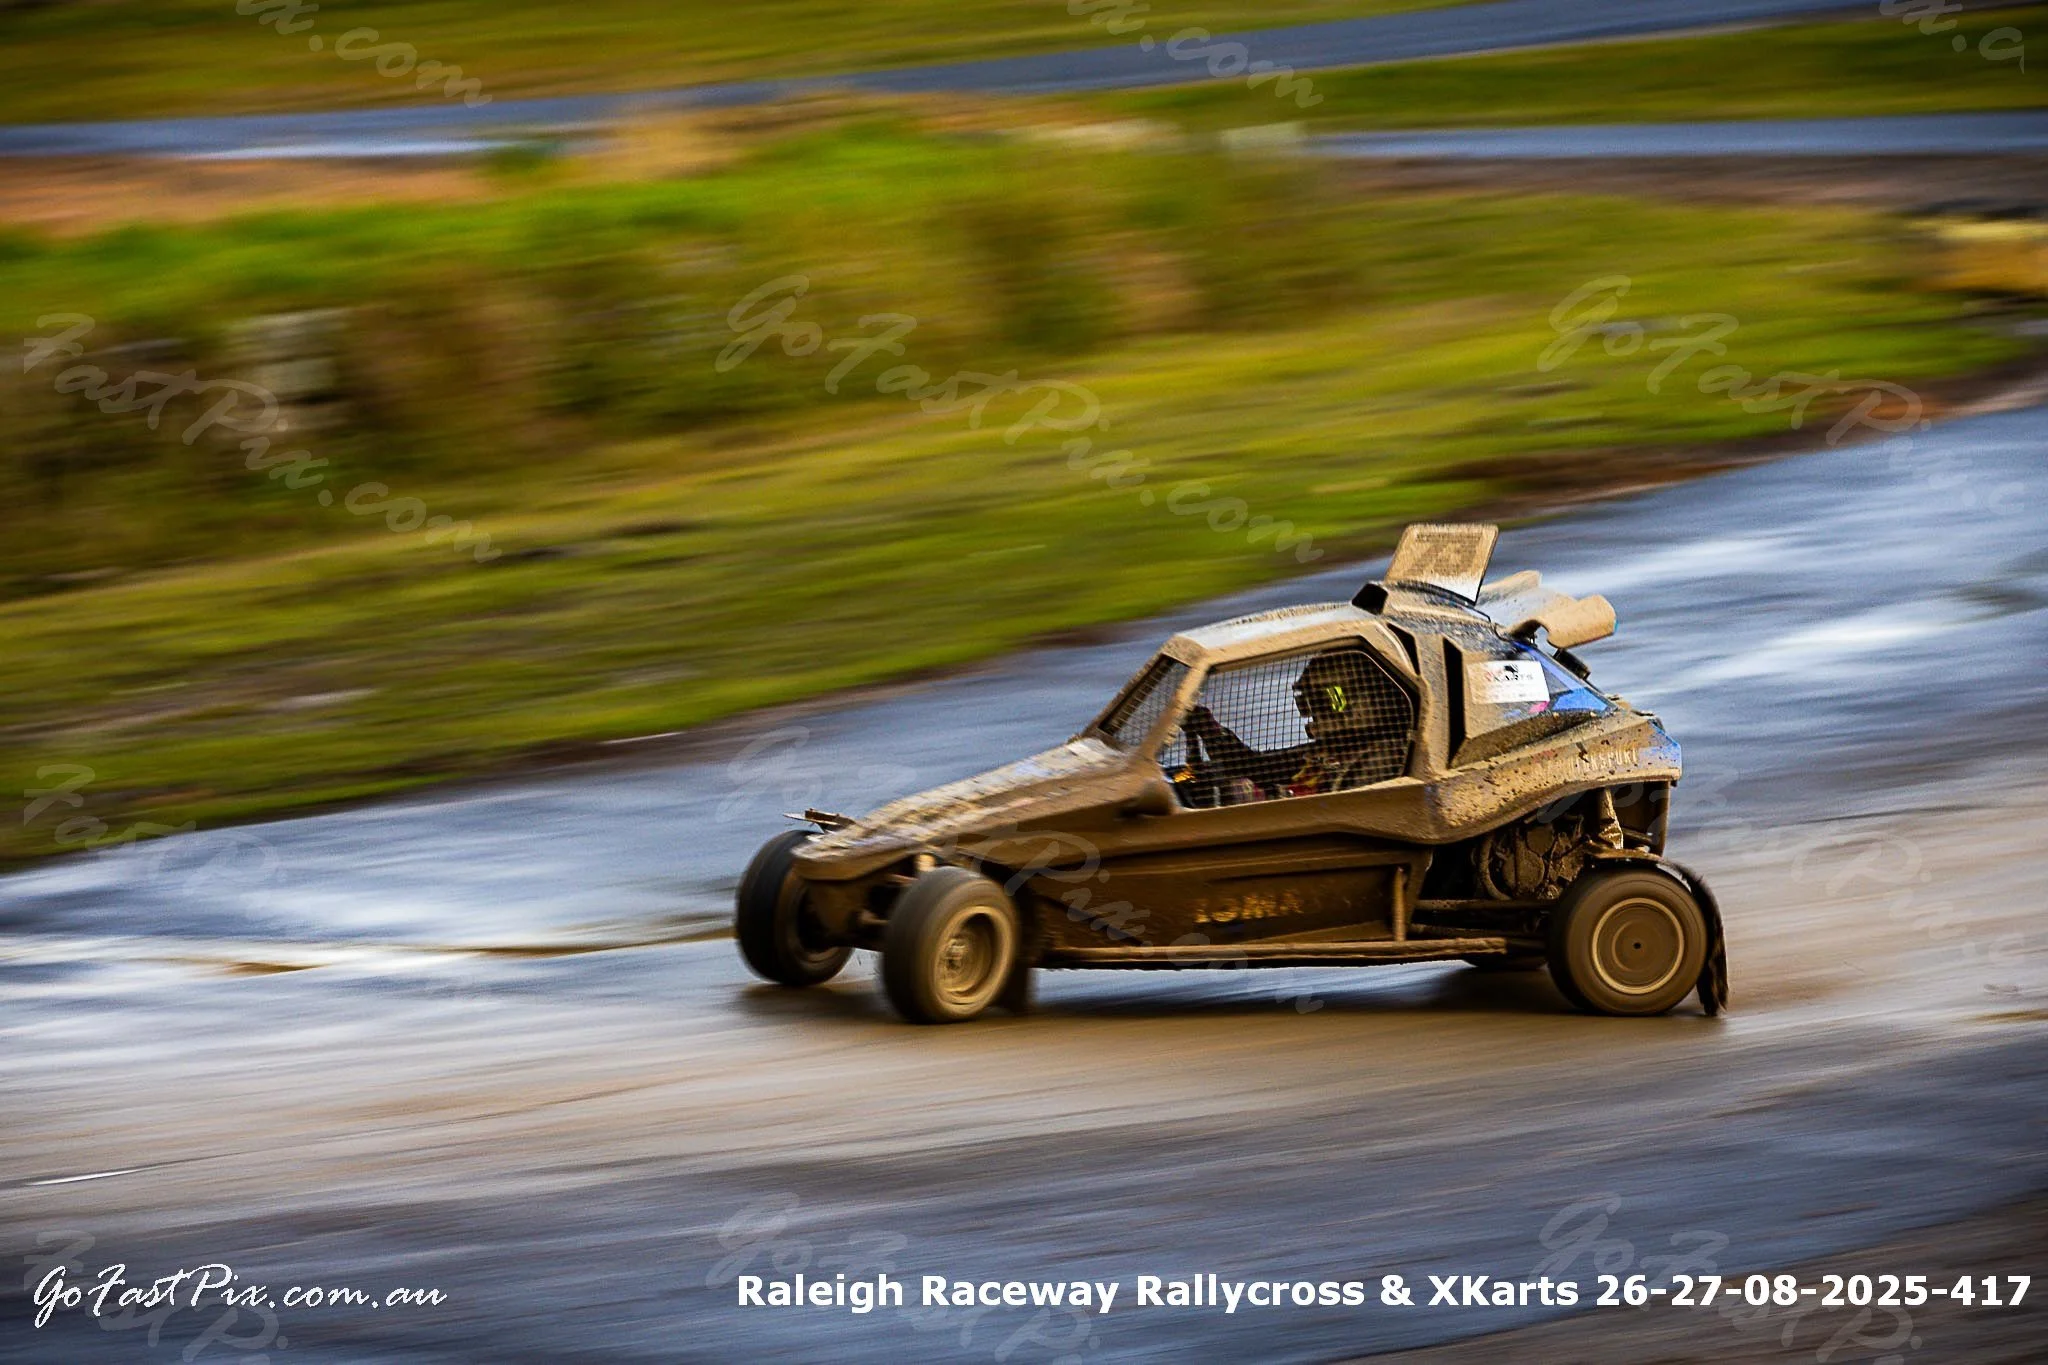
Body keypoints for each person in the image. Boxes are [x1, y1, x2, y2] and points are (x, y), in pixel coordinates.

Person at [1179, 649, 1405, 804]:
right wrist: (1210, 730)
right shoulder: (1331, 749)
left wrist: (1265, 797)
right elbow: (1253, 766)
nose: (1312, 711)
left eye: (1332, 698)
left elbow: (1333, 818)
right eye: (1308, 701)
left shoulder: (1382, 758)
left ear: (1372, 698)